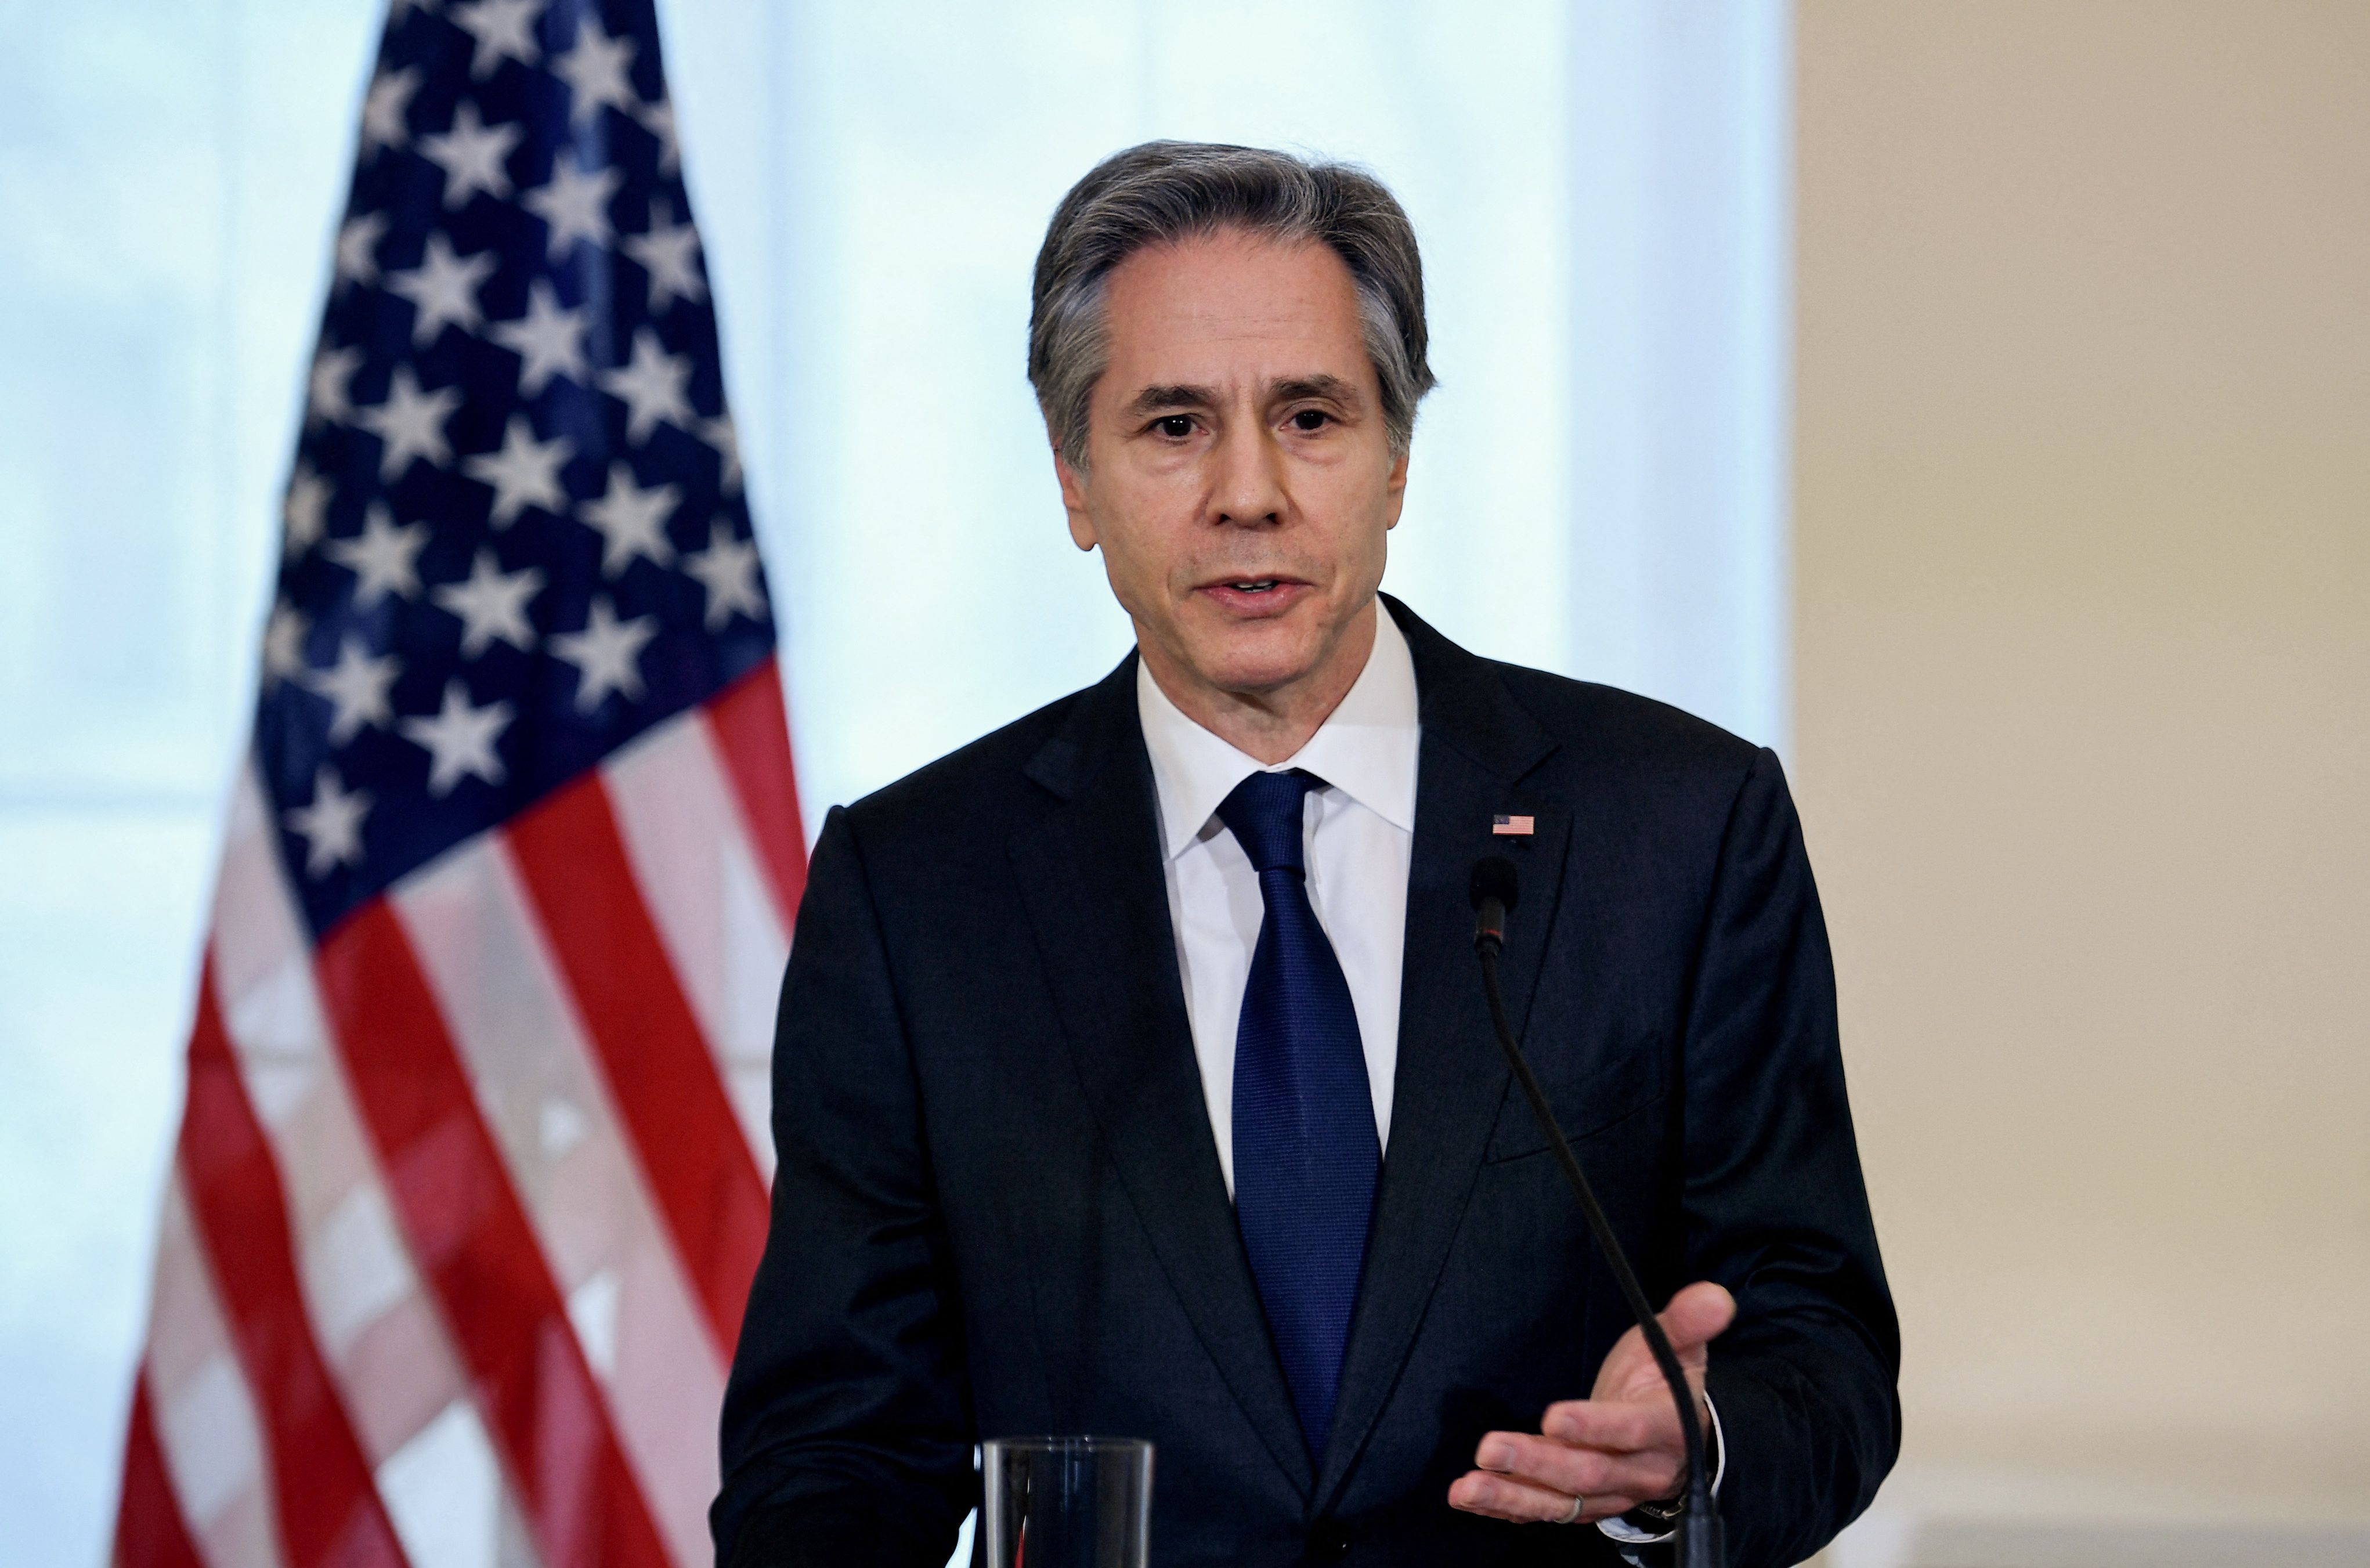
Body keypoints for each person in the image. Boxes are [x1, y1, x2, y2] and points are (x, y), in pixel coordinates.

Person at [714, 142, 1898, 1568]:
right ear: (1074, 478)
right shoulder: (917, 890)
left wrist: (1688, 1455)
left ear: (1395, 458)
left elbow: (1815, 1342)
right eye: (1169, 426)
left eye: (1310, 416)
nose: (1247, 493)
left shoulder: (1677, 828)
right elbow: (832, 1448)